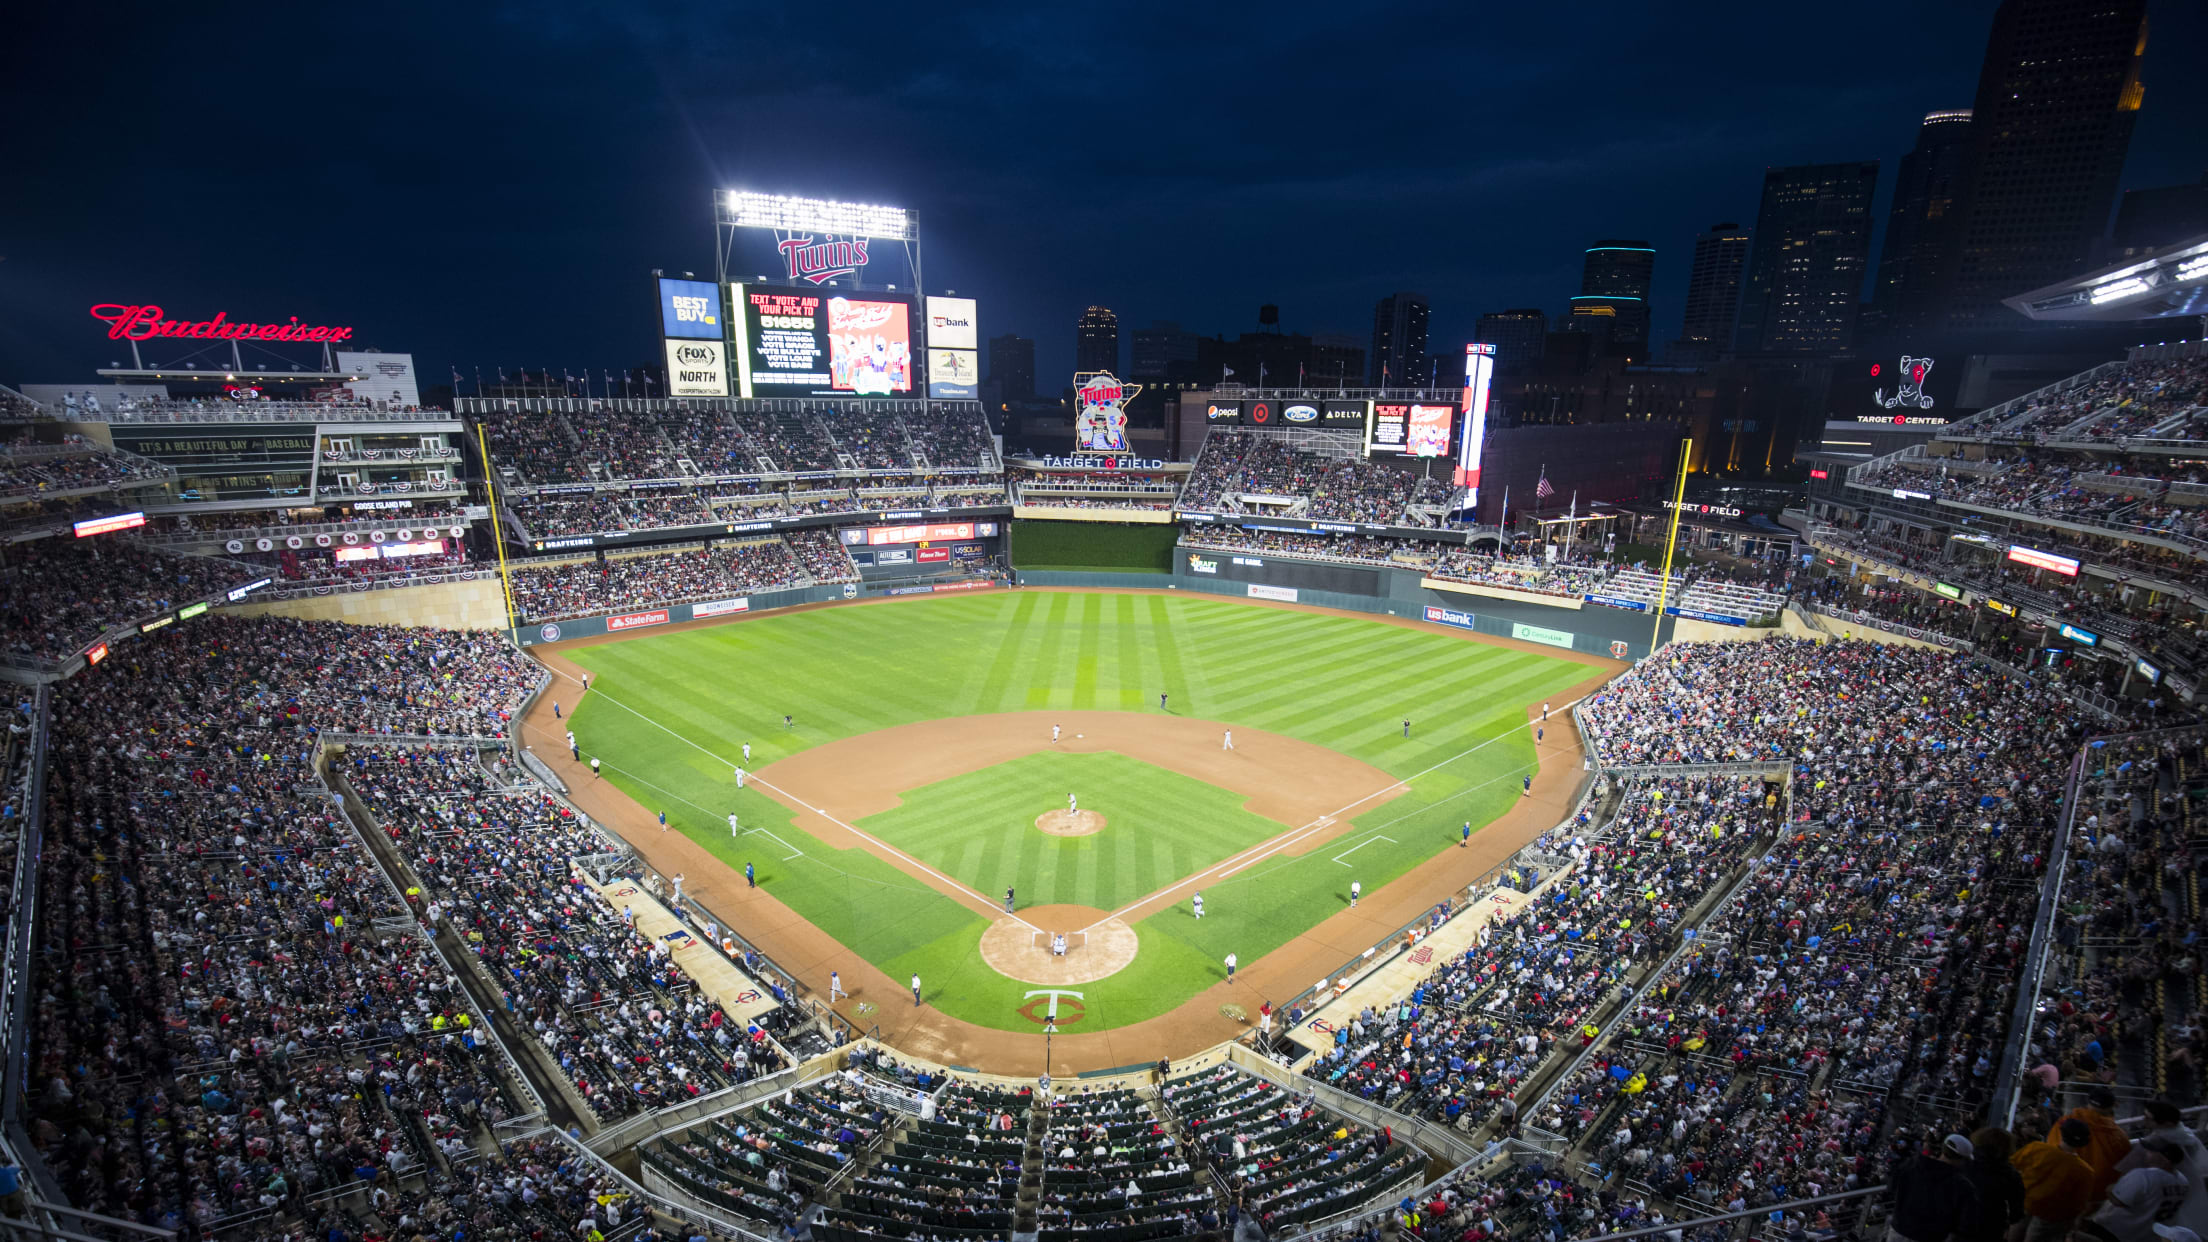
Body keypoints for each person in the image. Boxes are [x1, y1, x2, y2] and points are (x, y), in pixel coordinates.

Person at [2116, 1102, 2208, 1235]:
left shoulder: (2153, 1143)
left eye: (2148, 1118)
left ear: (2167, 1123)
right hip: (2189, 1188)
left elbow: (2123, 1170)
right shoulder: (2186, 1134)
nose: (2144, 1121)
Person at [2084, 1139, 2189, 1242]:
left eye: (2152, 1151)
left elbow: (2117, 1201)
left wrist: (2110, 1189)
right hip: (2143, 1235)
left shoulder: (2144, 1175)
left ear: (2166, 1160)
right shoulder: (2183, 1180)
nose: (2147, 1153)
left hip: (2113, 1231)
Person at [2014, 1120, 2097, 1242]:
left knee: (2015, 1232)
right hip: (2051, 1216)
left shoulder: (2037, 1148)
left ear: (2061, 1134)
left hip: (2025, 1203)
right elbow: (2078, 1203)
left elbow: (2013, 1166)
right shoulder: (2085, 1171)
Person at [1888, 1133, 1981, 1242]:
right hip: (1930, 1237)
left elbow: (1892, 1187)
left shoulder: (1912, 1164)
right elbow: (1967, 1224)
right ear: (1962, 1159)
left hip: (1898, 1231)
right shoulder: (1962, 1186)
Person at [2056, 1087, 2134, 1201]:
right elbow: (2123, 1165)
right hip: (2094, 1192)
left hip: (2062, 1185)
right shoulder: (2119, 1136)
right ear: (2111, 1107)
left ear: (2088, 1101)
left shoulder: (2065, 1122)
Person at [1960, 1128, 2026, 1242]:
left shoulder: (1963, 1165)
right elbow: (2017, 1213)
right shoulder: (2011, 1175)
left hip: (1960, 1223)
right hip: (1991, 1226)